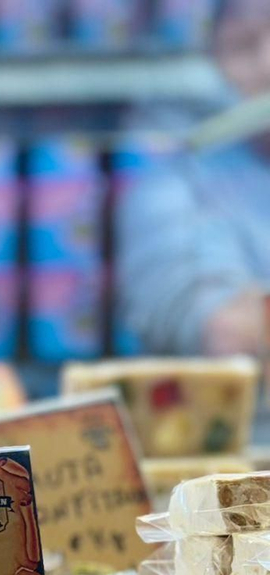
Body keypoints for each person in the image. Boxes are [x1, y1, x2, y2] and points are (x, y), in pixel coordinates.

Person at [117, 0, 270, 356]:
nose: (267, 65)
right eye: (243, 45)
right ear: (216, 59)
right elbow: (225, 330)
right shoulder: (179, 185)